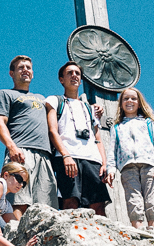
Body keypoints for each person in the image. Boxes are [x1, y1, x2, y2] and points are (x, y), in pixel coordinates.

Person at [0, 56, 57, 219]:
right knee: (19, 200)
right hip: (21, 151)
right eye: (21, 67)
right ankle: (17, 239)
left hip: (44, 155)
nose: (25, 70)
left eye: (28, 67)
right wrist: (12, 147)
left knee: (46, 205)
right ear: (11, 73)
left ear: (33, 74)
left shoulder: (43, 99)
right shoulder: (5, 94)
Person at [45, 61, 112, 215]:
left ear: (81, 80)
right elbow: (52, 131)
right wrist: (65, 155)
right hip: (68, 157)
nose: (74, 76)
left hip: (92, 159)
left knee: (98, 205)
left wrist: (104, 163)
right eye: (70, 73)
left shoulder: (89, 107)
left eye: (77, 73)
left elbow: (97, 138)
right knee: (70, 201)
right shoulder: (55, 100)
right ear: (61, 79)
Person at [107, 87, 154, 229]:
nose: (130, 101)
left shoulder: (149, 123)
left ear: (139, 103)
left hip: (149, 164)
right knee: (133, 199)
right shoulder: (117, 127)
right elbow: (112, 150)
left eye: (133, 98)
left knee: (152, 198)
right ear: (121, 103)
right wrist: (111, 169)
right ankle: (138, 228)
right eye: (126, 99)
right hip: (127, 167)